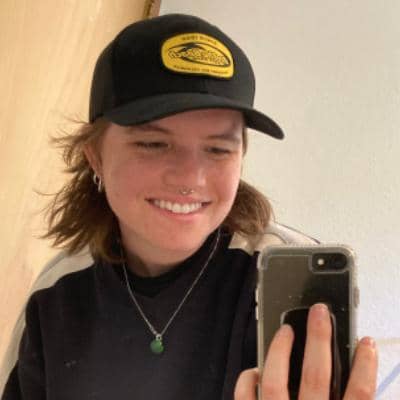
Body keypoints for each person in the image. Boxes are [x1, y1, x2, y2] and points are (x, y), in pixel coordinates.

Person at [0, 13, 377, 400]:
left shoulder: (288, 285)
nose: (190, 178)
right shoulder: (56, 295)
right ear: (95, 156)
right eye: (153, 144)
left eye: (218, 149)